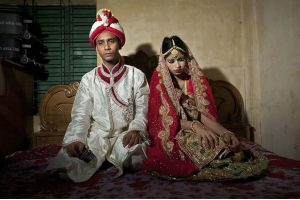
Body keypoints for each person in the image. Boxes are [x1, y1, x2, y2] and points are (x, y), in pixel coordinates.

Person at [141, 35, 268, 181]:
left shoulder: (194, 81)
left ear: (187, 59)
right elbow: (165, 121)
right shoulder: (160, 84)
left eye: (181, 59)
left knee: (220, 142)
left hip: (199, 127)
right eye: (171, 61)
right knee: (197, 142)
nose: (177, 65)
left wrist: (226, 132)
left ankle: (218, 156)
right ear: (164, 62)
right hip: (173, 132)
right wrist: (195, 126)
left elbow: (201, 115)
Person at [47, 8, 150, 182]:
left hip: (124, 135)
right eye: (101, 43)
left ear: (120, 43)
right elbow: (81, 115)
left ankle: (110, 158)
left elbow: (143, 109)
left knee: (136, 159)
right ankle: (98, 158)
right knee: (73, 158)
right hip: (97, 135)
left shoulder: (136, 75)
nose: (107, 47)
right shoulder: (88, 79)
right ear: (96, 47)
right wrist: (76, 138)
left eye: (111, 41)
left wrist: (136, 129)